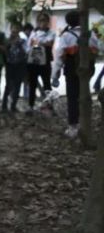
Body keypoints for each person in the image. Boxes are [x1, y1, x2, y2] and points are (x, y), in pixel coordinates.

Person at [51, 10, 100, 138]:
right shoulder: (90, 34)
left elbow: (59, 57)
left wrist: (55, 75)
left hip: (71, 70)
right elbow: (97, 49)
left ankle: (73, 127)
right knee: (84, 96)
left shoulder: (66, 36)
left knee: (72, 98)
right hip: (87, 70)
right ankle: (86, 125)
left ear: (68, 22)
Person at [26, 13, 56, 112]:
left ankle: (50, 106)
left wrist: (38, 42)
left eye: (44, 20)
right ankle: (31, 106)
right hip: (33, 61)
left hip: (45, 61)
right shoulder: (34, 32)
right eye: (40, 20)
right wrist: (39, 42)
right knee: (32, 85)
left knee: (47, 84)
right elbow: (29, 44)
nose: (42, 22)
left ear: (48, 22)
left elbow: (49, 43)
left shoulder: (51, 32)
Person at [2, 21, 28, 112]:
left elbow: (26, 52)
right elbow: (4, 51)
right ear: (10, 29)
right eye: (13, 28)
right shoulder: (7, 40)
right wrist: (9, 44)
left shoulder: (23, 40)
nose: (15, 30)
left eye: (17, 28)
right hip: (10, 65)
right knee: (8, 85)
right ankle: (4, 105)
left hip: (20, 65)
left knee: (17, 85)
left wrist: (19, 44)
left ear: (19, 30)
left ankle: (13, 105)